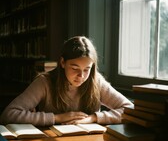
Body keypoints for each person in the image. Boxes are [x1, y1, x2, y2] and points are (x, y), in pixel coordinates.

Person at [0, 36, 133, 127]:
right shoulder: (44, 82)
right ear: (62, 62)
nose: (81, 76)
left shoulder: (96, 80)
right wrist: (57, 118)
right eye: (75, 68)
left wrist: (93, 118)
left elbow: (130, 110)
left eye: (87, 69)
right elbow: (8, 115)